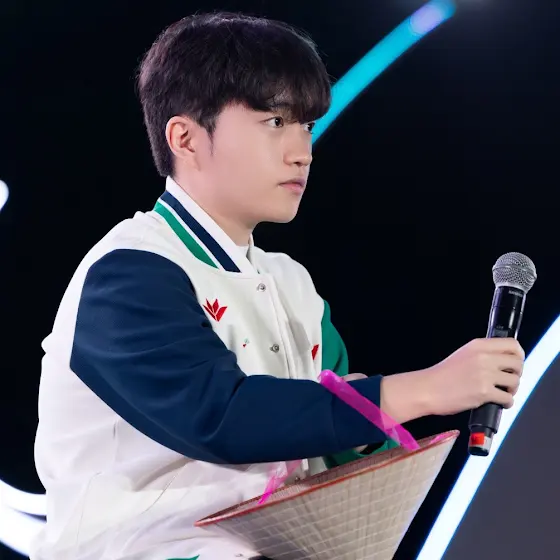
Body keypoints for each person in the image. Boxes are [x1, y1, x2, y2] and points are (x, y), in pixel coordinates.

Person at [31, 11, 525, 560]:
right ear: (185, 138)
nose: (302, 151)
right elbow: (222, 416)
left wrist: (365, 423)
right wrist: (427, 388)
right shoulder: (128, 271)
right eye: (274, 121)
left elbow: (327, 440)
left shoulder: (292, 284)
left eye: (306, 126)